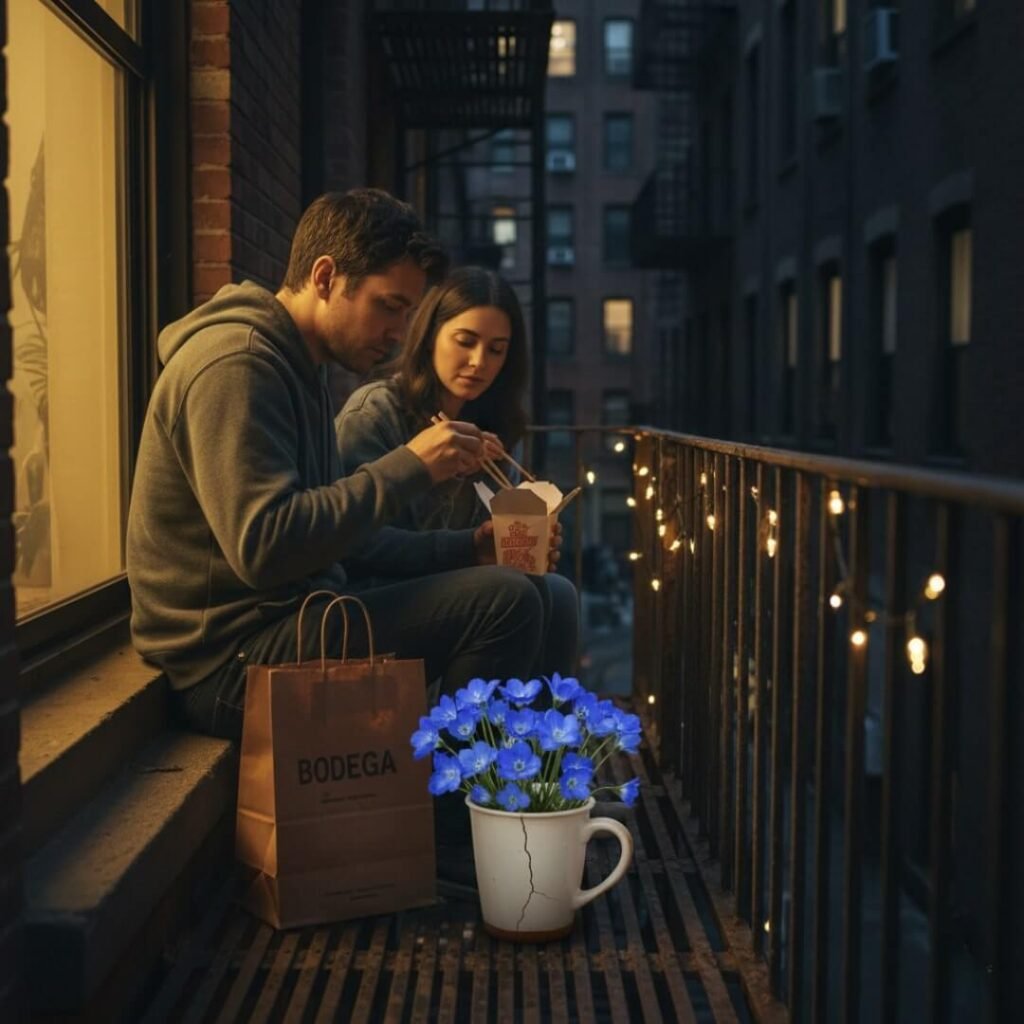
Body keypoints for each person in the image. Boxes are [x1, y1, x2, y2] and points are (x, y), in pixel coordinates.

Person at [126, 190, 552, 745]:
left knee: (534, 590)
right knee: (506, 601)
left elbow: (336, 537)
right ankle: (454, 824)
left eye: (407, 312)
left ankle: (523, 788)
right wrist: (410, 466)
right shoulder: (237, 363)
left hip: (292, 620)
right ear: (325, 277)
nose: (400, 333)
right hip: (228, 662)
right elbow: (265, 546)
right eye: (389, 306)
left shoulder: (301, 365)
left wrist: (465, 548)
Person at [335, 266, 579, 678]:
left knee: (558, 592)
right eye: (465, 341)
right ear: (430, 334)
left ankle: (534, 738)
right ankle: (466, 740)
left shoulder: (495, 432)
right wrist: (465, 535)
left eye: (497, 349)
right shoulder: (375, 413)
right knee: (517, 593)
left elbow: (491, 550)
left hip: (462, 587)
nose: (479, 362)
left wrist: (527, 541)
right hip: (373, 594)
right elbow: (352, 543)